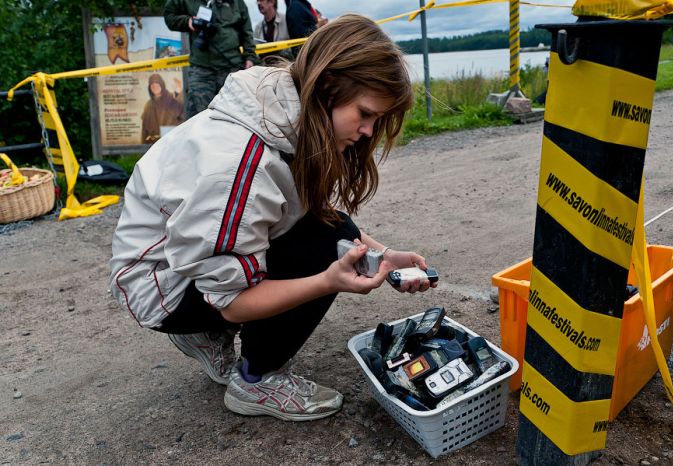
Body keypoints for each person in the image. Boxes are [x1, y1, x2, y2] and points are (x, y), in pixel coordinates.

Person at [110, 14, 432, 422]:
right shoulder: (243, 162)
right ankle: (256, 381)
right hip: (158, 288)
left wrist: (385, 255)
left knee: (336, 230)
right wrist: (326, 281)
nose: (369, 131)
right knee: (325, 251)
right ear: (328, 86)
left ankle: (203, 335)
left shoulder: (280, 108)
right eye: (364, 114)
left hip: (179, 261)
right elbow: (231, 301)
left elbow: (311, 216)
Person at [164, 0, 257, 118]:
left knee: (236, 117)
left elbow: (247, 32)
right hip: (202, 71)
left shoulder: (238, 3)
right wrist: (188, 21)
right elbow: (169, 16)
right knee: (198, 119)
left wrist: (250, 57)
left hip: (232, 70)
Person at [140, 74, 185, 144]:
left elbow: (179, 108)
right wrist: (143, 145)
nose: (155, 88)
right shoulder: (148, 105)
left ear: (162, 85)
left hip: (170, 140)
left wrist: (178, 91)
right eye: (152, 86)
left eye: (157, 85)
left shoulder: (170, 97)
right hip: (153, 142)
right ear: (150, 88)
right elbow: (144, 128)